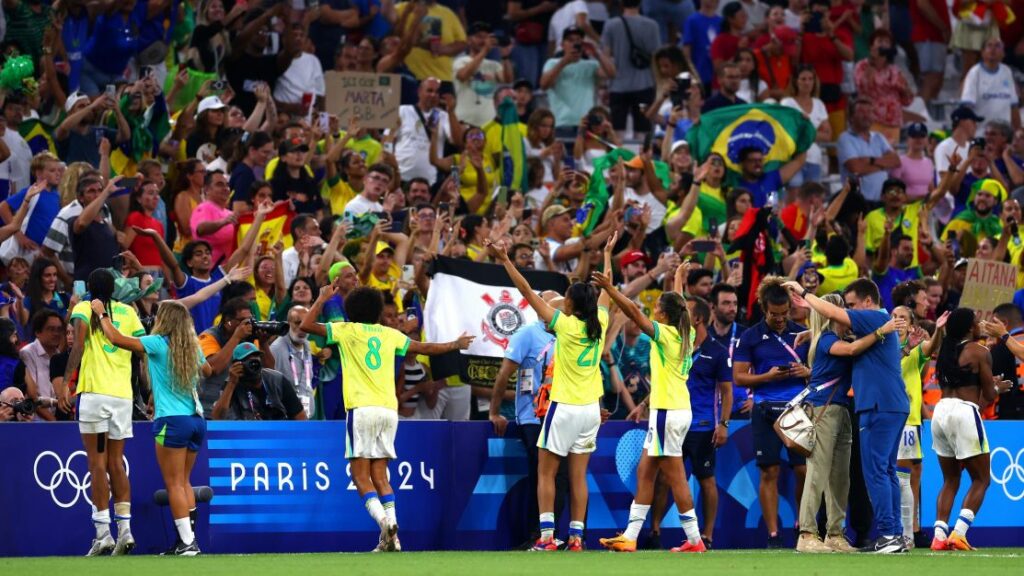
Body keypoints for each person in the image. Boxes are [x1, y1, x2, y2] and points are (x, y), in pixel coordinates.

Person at [301, 283, 473, 552]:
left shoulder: (347, 330)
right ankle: (392, 536)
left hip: (361, 409)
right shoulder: (390, 334)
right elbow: (424, 347)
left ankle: (383, 522)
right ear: (379, 311)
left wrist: (322, 297)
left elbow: (306, 325)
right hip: (388, 410)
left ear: (350, 309)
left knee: (360, 477)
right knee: (381, 474)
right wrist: (455, 344)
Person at [488, 235, 612, 552]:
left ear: (570, 304)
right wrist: (608, 256)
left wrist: (504, 260)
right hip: (589, 411)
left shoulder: (564, 325)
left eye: (565, 299)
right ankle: (576, 537)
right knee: (579, 477)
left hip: (564, 407)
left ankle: (546, 538)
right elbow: (607, 292)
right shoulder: (600, 319)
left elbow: (527, 292)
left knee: (546, 472)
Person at [784, 278, 910, 553]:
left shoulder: (861, 326)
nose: (849, 313)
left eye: (851, 306)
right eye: (844, 309)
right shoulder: (834, 337)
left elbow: (856, 345)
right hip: (826, 409)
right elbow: (852, 348)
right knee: (822, 471)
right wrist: (808, 305)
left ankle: (837, 533)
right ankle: (807, 533)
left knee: (845, 475)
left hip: (850, 409)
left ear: (867, 302)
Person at [593, 265, 708, 553]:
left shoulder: (665, 335)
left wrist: (609, 289)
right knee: (646, 471)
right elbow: (678, 304)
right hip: (675, 409)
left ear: (665, 315)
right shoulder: (687, 333)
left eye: (656, 306)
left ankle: (695, 540)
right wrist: (678, 278)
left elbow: (633, 311)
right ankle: (630, 537)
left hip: (667, 412)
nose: (653, 309)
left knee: (676, 476)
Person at [90, 299, 211, 556]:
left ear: (163, 320)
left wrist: (102, 314)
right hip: (196, 420)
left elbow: (116, 338)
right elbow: (208, 370)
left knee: (175, 484)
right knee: (184, 482)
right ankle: (185, 540)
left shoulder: (157, 344)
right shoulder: (191, 348)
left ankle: (188, 544)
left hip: (172, 421)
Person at [55, 269, 146, 556]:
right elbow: (141, 352)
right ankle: (127, 531)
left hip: (94, 394)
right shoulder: (129, 312)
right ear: (116, 287)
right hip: (121, 397)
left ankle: (103, 533)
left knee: (97, 463)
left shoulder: (84, 308)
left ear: (89, 288)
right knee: (116, 462)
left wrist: (66, 384)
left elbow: (78, 346)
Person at [733, 276, 810, 548]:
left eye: (784, 313)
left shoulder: (802, 333)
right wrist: (767, 376)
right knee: (770, 472)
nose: (780, 319)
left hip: (798, 410)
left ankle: (804, 527)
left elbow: (822, 374)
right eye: (774, 314)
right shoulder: (750, 336)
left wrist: (806, 372)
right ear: (764, 309)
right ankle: (774, 534)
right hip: (765, 410)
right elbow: (740, 378)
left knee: (803, 471)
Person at [488, 295, 569, 546]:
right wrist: (494, 411)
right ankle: (536, 534)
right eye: (559, 312)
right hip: (532, 417)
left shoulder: (567, 335)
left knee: (562, 476)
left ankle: (553, 534)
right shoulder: (527, 334)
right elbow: (504, 373)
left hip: (561, 414)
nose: (564, 317)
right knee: (541, 473)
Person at [928, 309, 1007, 551]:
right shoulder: (979, 351)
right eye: (976, 321)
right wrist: (997, 388)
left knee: (950, 478)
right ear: (969, 328)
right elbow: (989, 394)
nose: (979, 324)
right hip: (964, 412)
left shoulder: (944, 351)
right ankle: (959, 533)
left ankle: (939, 536)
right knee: (982, 479)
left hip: (940, 412)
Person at [892, 306, 947, 547]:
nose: (897, 321)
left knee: (909, 475)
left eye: (902, 317)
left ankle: (908, 532)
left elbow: (931, 347)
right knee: (894, 476)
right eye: (893, 317)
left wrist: (938, 331)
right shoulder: (882, 345)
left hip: (908, 420)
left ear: (912, 324)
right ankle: (901, 530)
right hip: (886, 417)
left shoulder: (915, 351)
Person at [837, 98, 901, 203]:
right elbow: (855, 168)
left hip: (882, 199)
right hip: (858, 200)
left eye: (869, 112)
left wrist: (870, 160)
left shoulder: (879, 137)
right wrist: (883, 165)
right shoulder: (845, 138)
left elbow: (895, 161)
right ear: (851, 117)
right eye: (862, 112)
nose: (866, 116)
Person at [961, 38, 1020, 135]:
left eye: (997, 46)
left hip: (1004, 136)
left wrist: (1018, 132)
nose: (993, 49)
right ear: (982, 52)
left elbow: (1013, 106)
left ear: (1003, 53)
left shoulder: (1007, 72)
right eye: (989, 46)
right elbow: (966, 109)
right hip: (981, 134)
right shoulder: (975, 73)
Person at [269, 305, 315, 418]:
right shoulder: (276, 349)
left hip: (305, 416)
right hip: (287, 419)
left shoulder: (307, 345)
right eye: (297, 323)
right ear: (288, 324)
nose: (302, 328)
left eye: (306, 323)